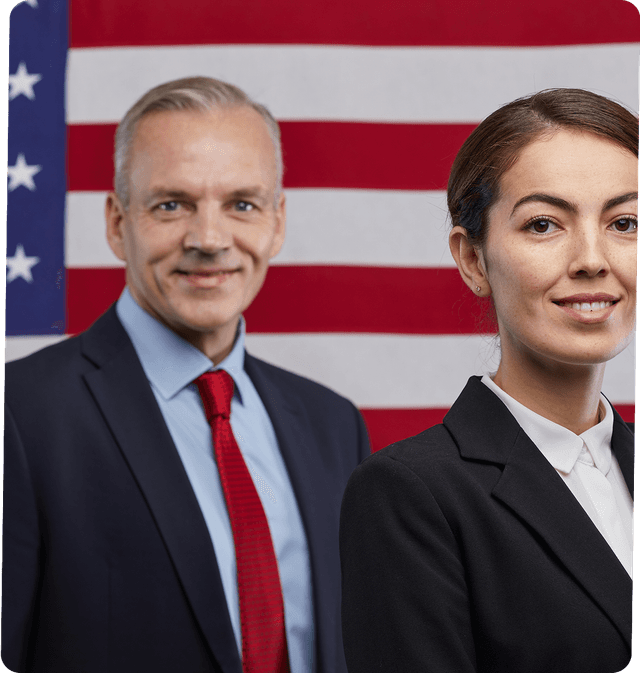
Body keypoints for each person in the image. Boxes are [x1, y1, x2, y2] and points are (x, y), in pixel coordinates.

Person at [3, 77, 370, 673]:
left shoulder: (333, 426)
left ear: (276, 223)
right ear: (118, 223)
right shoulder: (19, 415)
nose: (208, 238)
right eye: (171, 204)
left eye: (241, 204)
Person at [339, 88, 636, 673]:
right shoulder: (410, 495)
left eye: (624, 221)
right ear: (473, 260)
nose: (592, 259)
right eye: (544, 224)